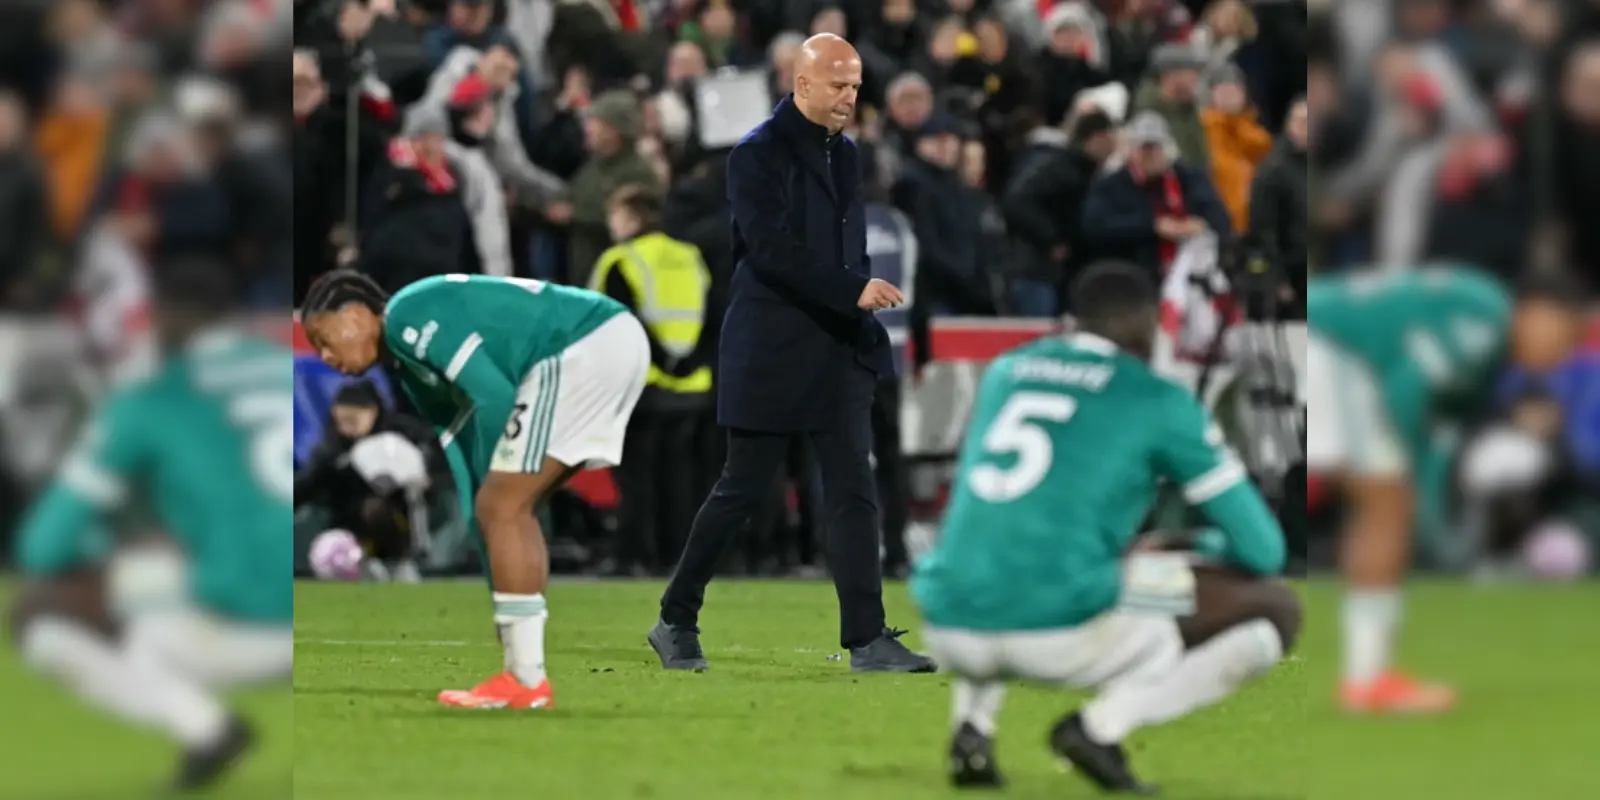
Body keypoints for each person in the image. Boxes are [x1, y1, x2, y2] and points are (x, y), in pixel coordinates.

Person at [912, 261, 1298, 793]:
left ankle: (972, 729)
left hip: (947, 623)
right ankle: (1099, 729)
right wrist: (1190, 543)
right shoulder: (1156, 399)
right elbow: (1263, 550)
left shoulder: (1007, 371)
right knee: (1275, 609)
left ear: (1075, 321)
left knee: (1009, 544)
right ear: (1150, 324)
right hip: (1055, 632)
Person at [649, 33, 935, 674]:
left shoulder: (848, 155)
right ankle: (675, 617)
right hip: (772, 345)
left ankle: (867, 639)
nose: (849, 97)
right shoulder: (755, 155)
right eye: (838, 85)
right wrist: (851, 289)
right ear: (801, 84)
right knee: (744, 489)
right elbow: (770, 249)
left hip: (837, 345)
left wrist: (856, 315)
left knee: (854, 487)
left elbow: (848, 245)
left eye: (855, 86)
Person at [299, 269, 650, 709]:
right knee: (504, 508)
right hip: (602, 342)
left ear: (355, 315)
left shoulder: (406, 315)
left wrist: (494, 502)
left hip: (583, 344)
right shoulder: (409, 368)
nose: (325, 356)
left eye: (325, 339)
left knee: (503, 505)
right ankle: (522, 671)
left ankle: (524, 678)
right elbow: (460, 448)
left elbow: (494, 397)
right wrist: (487, 535)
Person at [8, 257, 292, 791]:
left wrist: (106, 551)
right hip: (314, 610)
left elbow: (43, 546)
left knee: (41, 614)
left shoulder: (156, 395)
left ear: (162, 318)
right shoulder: (283, 366)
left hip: (244, 615)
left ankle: (205, 728)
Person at [1306, 266, 1586, 713]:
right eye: (1565, 333)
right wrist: (1412, 479)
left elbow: (1434, 421)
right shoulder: (1486, 319)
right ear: (1537, 312)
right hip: (1328, 345)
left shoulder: (1487, 331)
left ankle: (1367, 674)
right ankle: (1366, 680)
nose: (1563, 353)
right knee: (1387, 502)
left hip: (1331, 345)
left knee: (1384, 503)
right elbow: (1409, 387)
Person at [589, 184, 715, 575]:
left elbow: (619, 322)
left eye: (615, 216)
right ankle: (676, 554)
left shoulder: (620, 260)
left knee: (636, 475)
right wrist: (689, 361)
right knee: (680, 476)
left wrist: (663, 361)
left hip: (642, 382)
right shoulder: (690, 257)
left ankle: (632, 555)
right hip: (692, 385)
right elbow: (713, 313)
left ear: (633, 219)